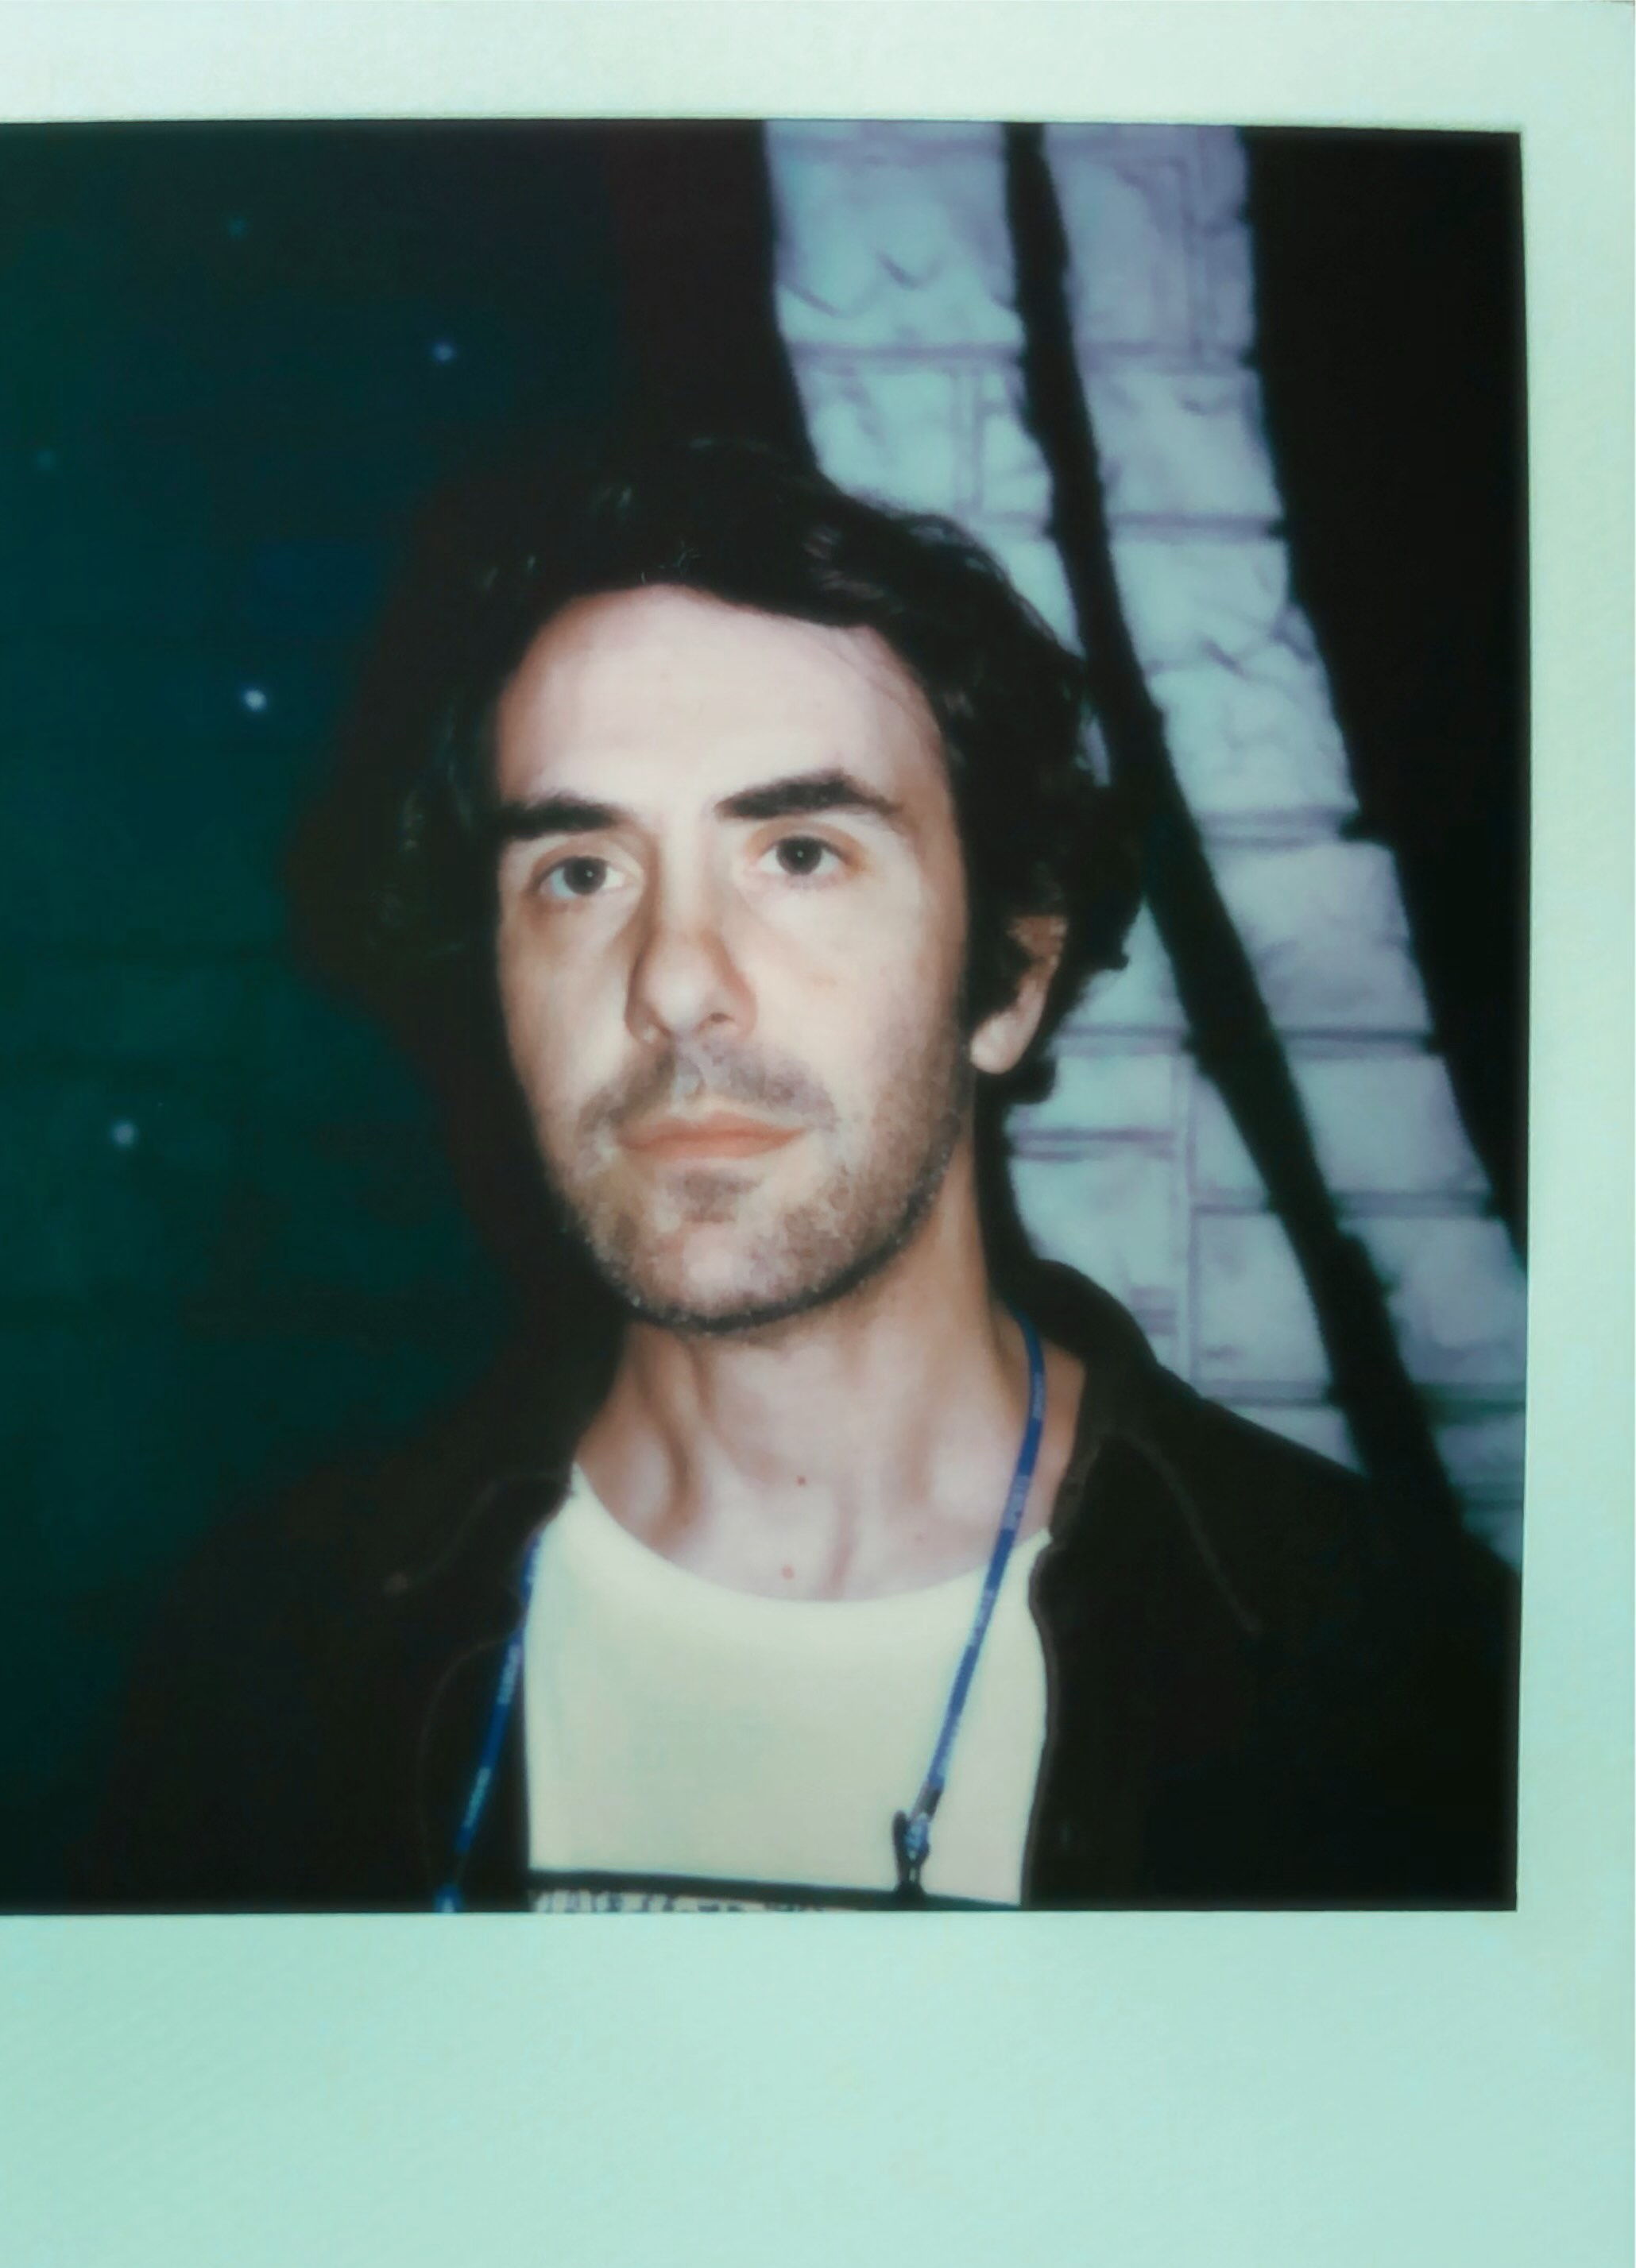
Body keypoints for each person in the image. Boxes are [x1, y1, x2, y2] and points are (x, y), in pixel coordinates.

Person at [79, 436, 1516, 1913]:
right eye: (581, 872)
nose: (674, 984)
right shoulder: (274, 1662)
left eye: (801, 854)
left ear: (1009, 980)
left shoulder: (1395, 1686)